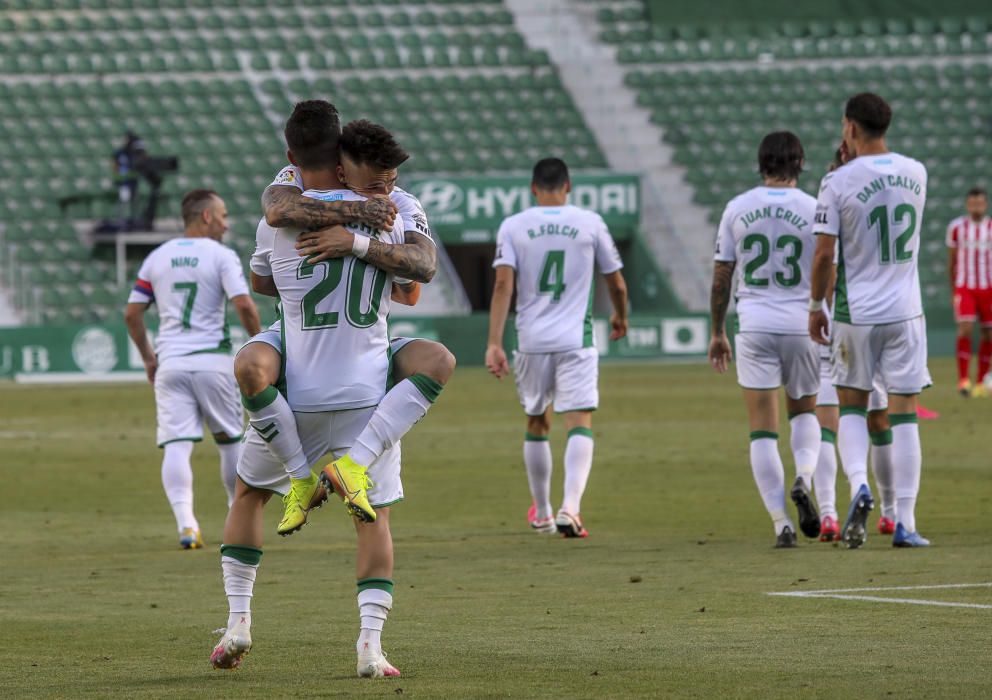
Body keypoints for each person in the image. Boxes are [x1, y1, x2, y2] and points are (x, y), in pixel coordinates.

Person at [211, 101, 429, 678]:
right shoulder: (394, 207)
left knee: (248, 495)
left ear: (293, 158)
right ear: (341, 158)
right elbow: (417, 277)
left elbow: (263, 272)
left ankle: (237, 623)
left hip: (296, 390)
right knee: (374, 519)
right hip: (364, 392)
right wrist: (366, 236)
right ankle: (370, 648)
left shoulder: (277, 211)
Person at [237, 118, 454, 536]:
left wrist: (352, 245)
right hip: (334, 357)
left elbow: (420, 277)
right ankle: (314, 476)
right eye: (376, 186)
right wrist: (359, 216)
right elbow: (276, 209)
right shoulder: (301, 185)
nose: (384, 195)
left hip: (332, 352)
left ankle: (310, 476)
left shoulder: (396, 204)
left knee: (250, 490)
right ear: (340, 165)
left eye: (390, 183)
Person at [809, 92, 931, 549]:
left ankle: (859, 483)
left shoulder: (836, 182)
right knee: (904, 415)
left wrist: (814, 306)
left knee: (853, 407)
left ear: (850, 128)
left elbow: (824, 254)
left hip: (855, 312)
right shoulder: (917, 172)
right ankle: (905, 520)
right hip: (906, 311)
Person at [485, 157, 628, 539]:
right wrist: (620, 315)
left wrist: (494, 343)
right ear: (569, 186)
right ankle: (571, 507)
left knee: (537, 422)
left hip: (530, 341)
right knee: (578, 421)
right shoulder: (590, 222)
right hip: (574, 340)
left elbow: (503, 287)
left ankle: (544, 513)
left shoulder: (514, 226)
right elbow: (615, 281)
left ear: (533, 188)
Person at [123, 189, 261, 549]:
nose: (227, 223)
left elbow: (132, 313)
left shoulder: (158, 257)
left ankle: (187, 525)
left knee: (176, 446)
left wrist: (149, 359)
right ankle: (236, 518)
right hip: (213, 361)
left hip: (171, 364)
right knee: (231, 442)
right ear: (205, 217)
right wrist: (262, 344)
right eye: (223, 215)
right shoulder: (221, 256)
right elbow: (244, 305)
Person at [708, 132, 821, 548]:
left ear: (762, 164)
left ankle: (781, 525)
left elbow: (722, 276)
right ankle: (805, 477)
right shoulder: (814, 209)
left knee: (761, 431)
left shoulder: (738, 207)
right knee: (804, 413)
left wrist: (718, 331)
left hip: (754, 323)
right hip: (800, 323)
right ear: (800, 163)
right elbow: (828, 264)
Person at [947, 187, 992, 397]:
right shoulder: (957, 228)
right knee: (965, 328)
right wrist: (953, 289)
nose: (977, 207)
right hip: (965, 286)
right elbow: (952, 261)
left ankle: (982, 381)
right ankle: (963, 380)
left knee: (988, 334)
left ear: (985, 204)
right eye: (973, 203)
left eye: (980, 203)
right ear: (967, 205)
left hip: (989, 287)